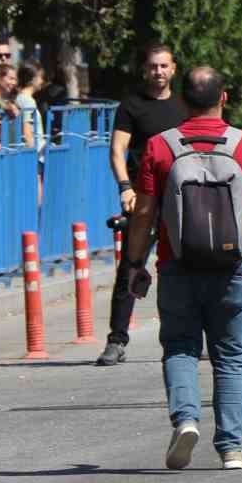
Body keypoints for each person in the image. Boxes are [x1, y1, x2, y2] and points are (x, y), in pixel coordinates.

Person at [123, 66, 242, 471]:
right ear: (223, 98)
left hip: (177, 264)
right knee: (229, 355)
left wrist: (134, 264)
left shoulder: (160, 147)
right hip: (233, 267)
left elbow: (144, 213)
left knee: (179, 347)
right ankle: (231, 448)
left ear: (181, 100)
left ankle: (186, 419)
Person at [98, 43, 184, 367]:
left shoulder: (184, 105)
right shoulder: (132, 106)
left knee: (184, 269)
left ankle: (184, 339)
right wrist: (125, 188)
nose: (158, 72)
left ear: (173, 69)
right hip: (144, 199)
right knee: (131, 268)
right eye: (153, 66)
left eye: (164, 66)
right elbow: (117, 150)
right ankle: (117, 341)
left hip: (181, 197)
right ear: (144, 70)